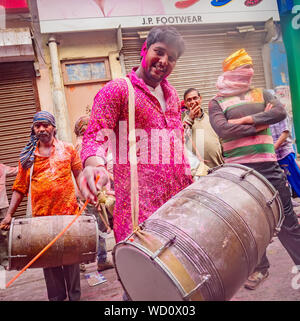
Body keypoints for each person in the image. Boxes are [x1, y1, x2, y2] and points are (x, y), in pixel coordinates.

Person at [78, 26, 193, 245]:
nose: (163, 61)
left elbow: (176, 143)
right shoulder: (118, 90)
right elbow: (94, 137)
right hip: (141, 217)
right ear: (144, 49)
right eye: (159, 52)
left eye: (172, 57)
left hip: (179, 209)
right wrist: (95, 166)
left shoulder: (172, 94)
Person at [208, 48, 300, 290]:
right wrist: (261, 122)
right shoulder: (216, 101)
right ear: (229, 72)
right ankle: (260, 268)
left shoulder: (263, 92)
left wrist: (244, 120)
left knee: (286, 220)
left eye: (250, 68)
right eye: (241, 68)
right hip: (237, 173)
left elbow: (279, 113)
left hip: (269, 167)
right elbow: (223, 130)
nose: (247, 72)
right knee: (248, 225)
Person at [0, 111, 82, 301]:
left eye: (45, 125)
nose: (42, 129)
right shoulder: (28, 156)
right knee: (49, 259)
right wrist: (9, 214)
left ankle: (76, 298)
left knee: (71, 258)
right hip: (42, 218)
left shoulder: (68, 149)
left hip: (68, 214)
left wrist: (88, 195)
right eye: (38, 126)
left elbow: (79, 175)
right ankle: (56, 298)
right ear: (33, 129)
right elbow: (19, 188)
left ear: (54, 127)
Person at [74, 115, 114, 272]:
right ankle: (101, 260)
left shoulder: (77, 146)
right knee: (98, 229)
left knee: (90, 228)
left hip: (85, 193)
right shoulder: (84, 146)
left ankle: (81, 261)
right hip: (90, 193)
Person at [182, 88, 224, 171]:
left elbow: (221, 139)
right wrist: (190, 118)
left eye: (195, 98)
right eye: (189, 100)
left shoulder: (211, 118)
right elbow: (180, 139)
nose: (193, 102)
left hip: (218, 168)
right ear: (186, 103)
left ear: (200, 98)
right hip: (198, 173)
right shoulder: (182, 121)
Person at [270, 114, 300, 204]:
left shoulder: (280, 115)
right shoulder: (265, 116)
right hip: (274, 155)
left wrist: (273, 148)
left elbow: (285, 133)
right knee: (283, 180)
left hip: (284, 153)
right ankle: (289, 200)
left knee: (295, 179)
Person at [0, 163, 18, 267]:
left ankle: (7, 261)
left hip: (3, 207)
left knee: (5, 235)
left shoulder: (2, 168)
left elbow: (16, 170)